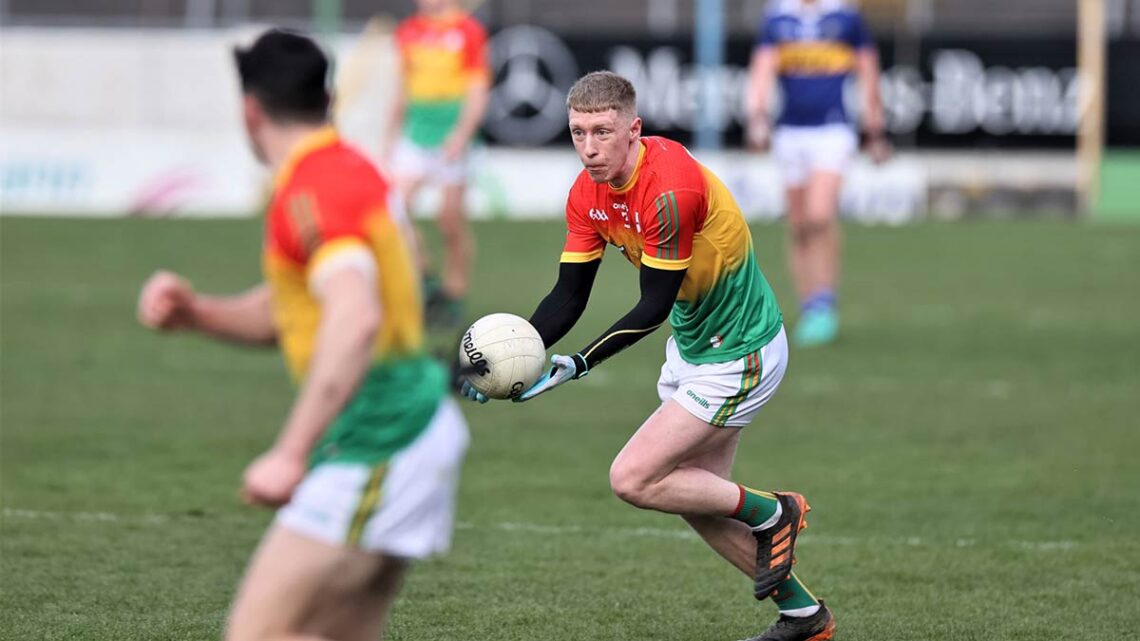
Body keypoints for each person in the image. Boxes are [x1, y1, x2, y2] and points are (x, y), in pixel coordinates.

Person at [461, 71, 835, 641]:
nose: (589, 148)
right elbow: (569, 294)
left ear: (633, 130)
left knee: (633, 478)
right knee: (692, 496)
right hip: (693, 345)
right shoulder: (587, 192)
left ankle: (773, 512)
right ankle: (805, 616)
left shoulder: (670, 188)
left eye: (603, 132)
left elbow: (652, 305)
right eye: (578, 133)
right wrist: (504, 360)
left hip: (741, 351)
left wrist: (578, 363)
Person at [137, 29, 468, 641]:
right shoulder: (350, 170)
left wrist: (290, 452)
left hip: (380, 437)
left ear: (250, 110)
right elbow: (302, 312)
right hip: (403, 432)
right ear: (330, 97)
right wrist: (200, 313)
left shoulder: (313, 189)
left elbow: (355, 315)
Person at [746, 0, 889, 347]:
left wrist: (874, 125)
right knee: (798, 225)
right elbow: (763, 67)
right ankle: (810, 304)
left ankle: (825, 301)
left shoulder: (845, 16)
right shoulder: (778, 15)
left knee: (819, 215)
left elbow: (867, 67)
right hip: (790, 133)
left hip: (832, 131)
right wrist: (758, 116)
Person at [383, 0, 490, 328]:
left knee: (450, 220)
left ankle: (454, 291)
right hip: (416, 134)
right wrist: (389, 137)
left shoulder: (468, 31)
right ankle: (424, 276)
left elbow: (477, 89)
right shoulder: (407, 32)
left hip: (452, 137)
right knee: (393, 209)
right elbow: (403, 88)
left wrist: (462, 133)